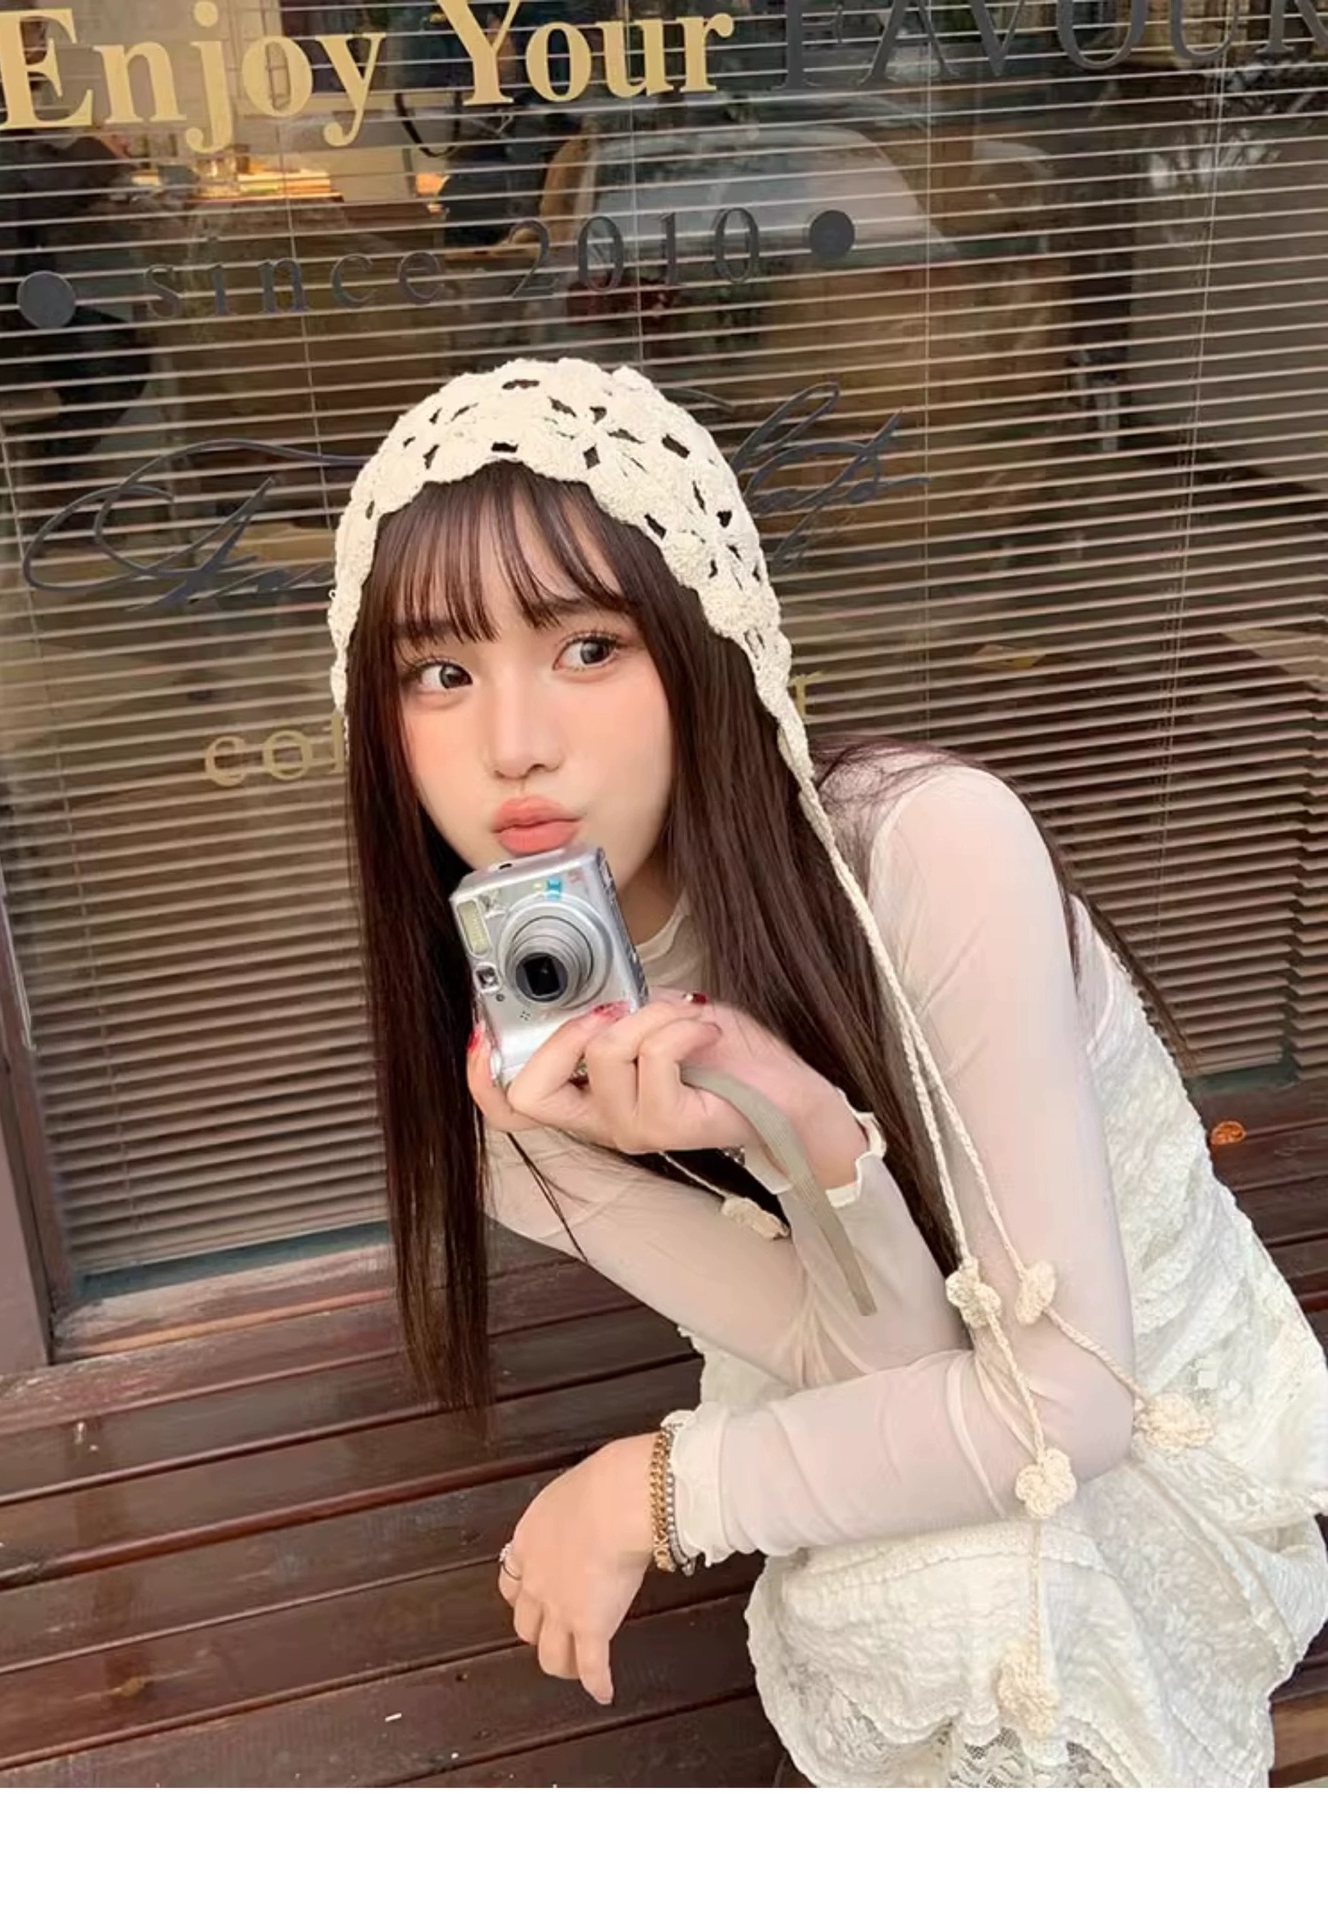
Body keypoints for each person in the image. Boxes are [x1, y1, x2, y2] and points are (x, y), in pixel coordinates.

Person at [328, 357, 1328, 1788]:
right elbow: (897, 1373)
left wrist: (644, 1489)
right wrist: (803, 1154)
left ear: (705, 647)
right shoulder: (518, 1103)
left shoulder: (922, 850)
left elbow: (1068, 1408)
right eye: (441, 673)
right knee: (932, 1591)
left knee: (957, 1608)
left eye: (588, 646)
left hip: (1150, 1408)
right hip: (927, 1394)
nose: (515, 746)